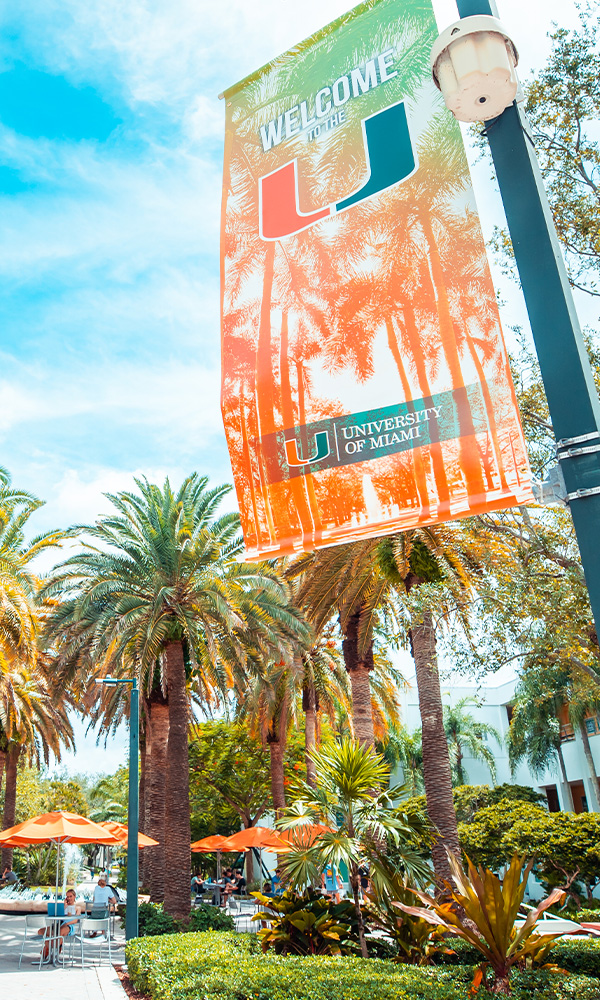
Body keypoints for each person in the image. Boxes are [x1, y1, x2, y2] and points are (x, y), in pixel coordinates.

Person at [36, 888, 82, 962]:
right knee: (41, 931)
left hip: (69, 925)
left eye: (70, 896)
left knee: (60, 932)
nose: (69, 898)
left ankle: (53, 949)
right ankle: (50, 947)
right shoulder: (63, 907)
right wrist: (64, 906)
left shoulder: (77, 907)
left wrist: (66, 923)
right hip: (59, 924)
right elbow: (57, 916)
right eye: (67, 897)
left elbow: (75, 920)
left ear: (74, 896)